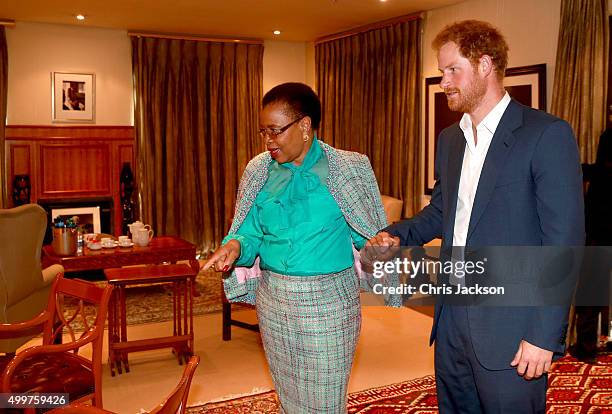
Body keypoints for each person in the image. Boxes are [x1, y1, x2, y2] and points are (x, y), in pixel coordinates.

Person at [366, 20, 584, 413]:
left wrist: (544, 334)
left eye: (453, 70)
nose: (444, 81)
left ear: (485, 65)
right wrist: (398, 234)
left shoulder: (546, 134)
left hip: (513, 326)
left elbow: (564, 241)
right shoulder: (450, 140)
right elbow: (443, 211)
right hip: (451, 318)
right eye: (442, 71)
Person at [202, 82, 391, 413]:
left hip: (330, 304)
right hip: (274, 301)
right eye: (263, 132)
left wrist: (378, 247)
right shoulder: (259, 169)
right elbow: (250, 231)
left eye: (275, 131)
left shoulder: (349, 167)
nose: (268, 141)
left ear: (305, 126)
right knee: (290, 398)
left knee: (325, 402)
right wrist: (234, 246)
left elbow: (367, 234)